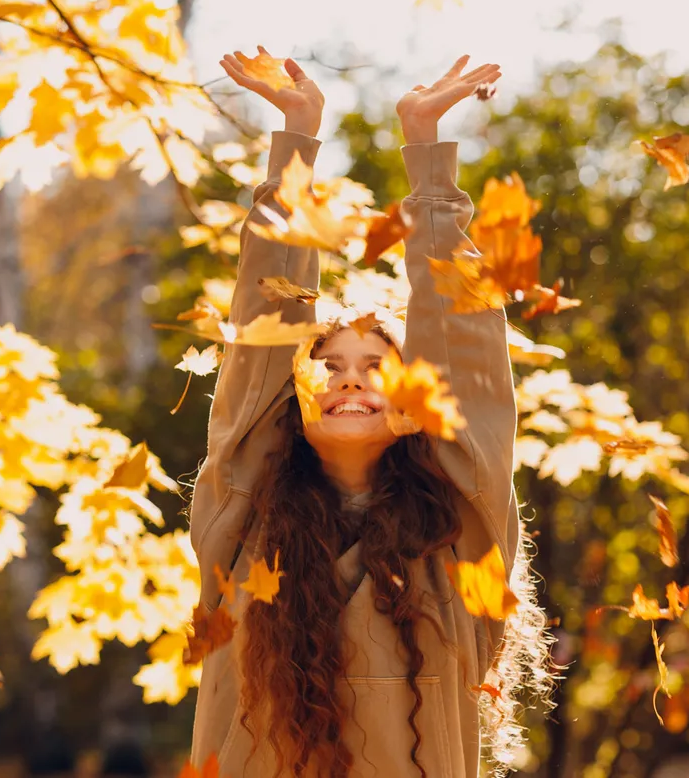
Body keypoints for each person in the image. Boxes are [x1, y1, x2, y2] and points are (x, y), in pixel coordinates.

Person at [186, 46, 551, 778]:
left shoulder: (457, 543)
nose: (349, 381)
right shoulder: (243, 523)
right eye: (327, 367)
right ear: (294, 399)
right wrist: (297, 140)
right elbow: (262, 336)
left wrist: (428, 159)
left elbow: (466, 356)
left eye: (375, 369)